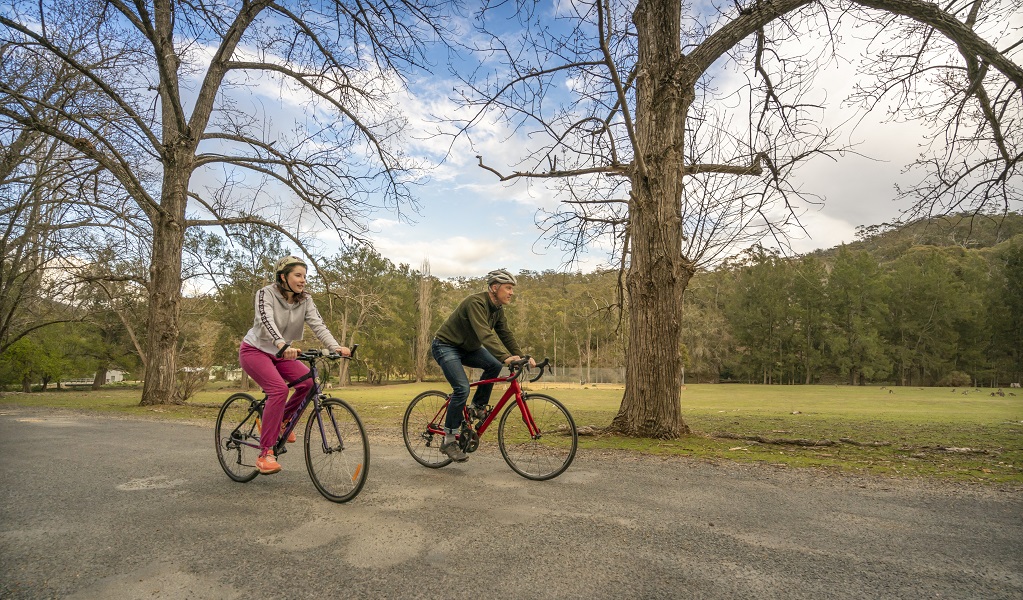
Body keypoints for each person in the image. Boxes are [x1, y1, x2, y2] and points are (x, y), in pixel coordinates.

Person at [239, 255, 351, 474]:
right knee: (278, 390)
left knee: (310, 383)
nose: (303, 281)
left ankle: (281, 421)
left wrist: (335, 346)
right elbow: (266, 320)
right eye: (298, 275)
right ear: (283, 277)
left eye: (305, 276)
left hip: (282, 353)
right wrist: (281, 343)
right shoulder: (265, 294)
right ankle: (265, 454)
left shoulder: (305, 300)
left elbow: (318, 325)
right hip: (255, 350)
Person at [431, 268, 535, 462]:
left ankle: (477, 406)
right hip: (445, 345)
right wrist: (506, 357)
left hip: (468, 348)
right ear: (494, 288)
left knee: (493, 365)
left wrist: (521, 356)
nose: (511, 292)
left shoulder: (497, 310)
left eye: (512, 288)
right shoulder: (476, 303)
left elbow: (505, 334)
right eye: (508, 288)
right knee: (461, 388)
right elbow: (484, 335)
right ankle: (449, 439)